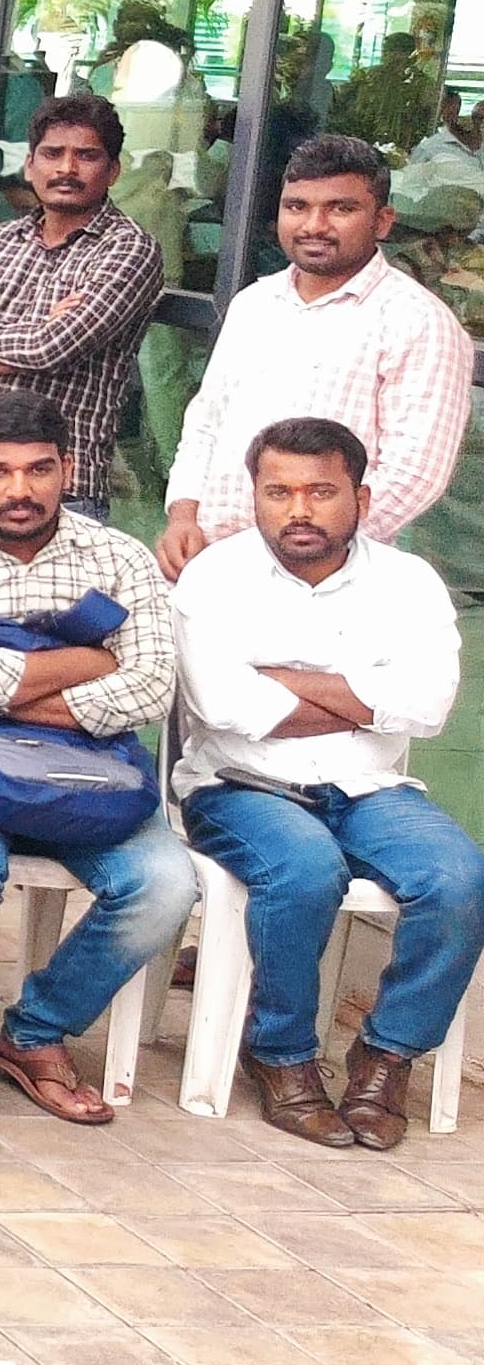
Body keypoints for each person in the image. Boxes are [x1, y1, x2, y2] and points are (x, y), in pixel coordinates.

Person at [0, 390, 196, 1125]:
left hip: (87, 770)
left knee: (166, 885)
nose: (19, 490)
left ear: (68, 470)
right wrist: (92, 660)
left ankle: (36, 1032)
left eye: (38, 470)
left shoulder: (119, 557)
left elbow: (152, 687)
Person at [172, 416, 481, 1151]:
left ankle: (386, 1057)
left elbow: (427, 705)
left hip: (371, 789)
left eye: (320, 491)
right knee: (305, 870)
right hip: (239, 786)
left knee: (459, 878)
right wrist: (365, 699)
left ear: (360, 499)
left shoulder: (408, 582)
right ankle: (279, 1054)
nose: (298, 509)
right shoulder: (215, 577)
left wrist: (280, 680)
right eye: (278, 492)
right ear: (255, 495)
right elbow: (226, 708)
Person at [164, 135, 470, 576]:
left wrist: (302, 555)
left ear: (383, 221)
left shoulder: (418, 321)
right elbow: (205, 422)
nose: (314, 225)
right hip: (211, 558)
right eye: (297, 206)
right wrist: (183, 515)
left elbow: (413, 475)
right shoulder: (255, 304)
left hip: (323, 576)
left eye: (340, 209)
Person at [0, 93, 161, 514]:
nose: (66, 169)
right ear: (29, 165)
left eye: (86, 155)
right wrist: (11, 349)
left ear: (113, 170)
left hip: (60, 491)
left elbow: (50, 348)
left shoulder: (129, 250)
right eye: (52, 154)